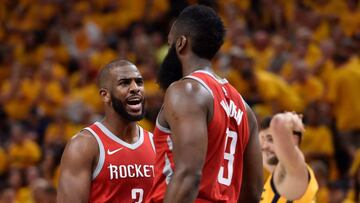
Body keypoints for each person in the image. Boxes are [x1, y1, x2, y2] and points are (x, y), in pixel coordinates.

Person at [147, 5, 263, 203]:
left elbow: (188, 175)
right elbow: (252, 191)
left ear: (181, 43)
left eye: (170, 43)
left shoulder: (186, 91)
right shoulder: (245, 108)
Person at [57, 59, 155, 202]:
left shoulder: (155, 143)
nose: (135, 88)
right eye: (125, 83)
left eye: (139, 82)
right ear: (105, 95)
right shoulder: (84, 146)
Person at [259, 112, 318, 202]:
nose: (264, 146)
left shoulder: (295, 169)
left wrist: (291, 119)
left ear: (294, 140)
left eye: (271, 139)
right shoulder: (269, 184)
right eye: (262, 141)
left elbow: (278, 123)